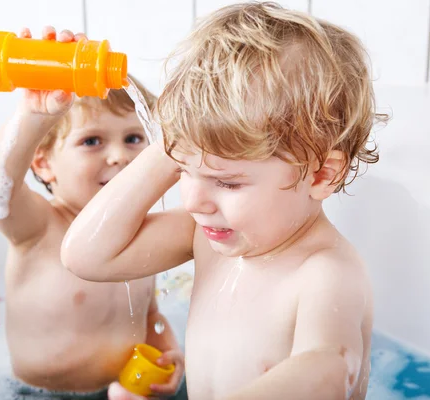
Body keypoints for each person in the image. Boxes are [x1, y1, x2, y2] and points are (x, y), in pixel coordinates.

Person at [63, 3, 381, 399]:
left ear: (321, 175)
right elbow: (87, 256)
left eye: (227, 183)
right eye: (182, 171)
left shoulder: (325, 274)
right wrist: (173, 142)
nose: (195, 201)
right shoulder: (209, 238)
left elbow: (330, 368)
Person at [0, 26, 184, 399]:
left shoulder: (139, 235)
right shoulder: (39, 227)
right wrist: (34, 115)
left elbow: (148, 315)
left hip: (121, 387)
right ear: (43, 164)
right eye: (92, 141)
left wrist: (169, 352)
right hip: (36, 393)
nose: (119, 155)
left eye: (134, 138)